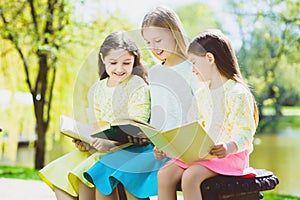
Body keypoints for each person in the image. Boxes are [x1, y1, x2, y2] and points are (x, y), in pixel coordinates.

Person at [83, 6, 199, 200]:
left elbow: (199, 114)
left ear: (175, 33)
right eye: (148, 42)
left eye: (158, 40)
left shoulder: (192, 70)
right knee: (103, 171)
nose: (154, 47)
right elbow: (156, 116)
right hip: (158, 147)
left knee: (129, 175)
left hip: (184, 148)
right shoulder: (155, 73)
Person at [38, 31, 151, 200]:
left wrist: (110, 142)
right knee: (58, 172)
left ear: (135, 60)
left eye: (126, 63)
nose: (119, 69)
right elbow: (96, 125)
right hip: (101, 147)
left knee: (83, 174)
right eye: (113, 63)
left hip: (127, 147)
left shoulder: (137, 85)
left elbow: (137, 126)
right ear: (103, 59)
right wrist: (86, 141)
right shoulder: (97, 89)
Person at [154, 29, 259, 200]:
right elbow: (191, 129)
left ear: (210, 58)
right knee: (164, 174)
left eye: (194, 63)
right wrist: (170, 147)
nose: (193, 70)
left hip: (229, 156)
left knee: (190, 177)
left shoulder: (237, 93)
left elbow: (245, 133)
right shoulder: (201, 94)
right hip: (202, 155)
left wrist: (228, 147)